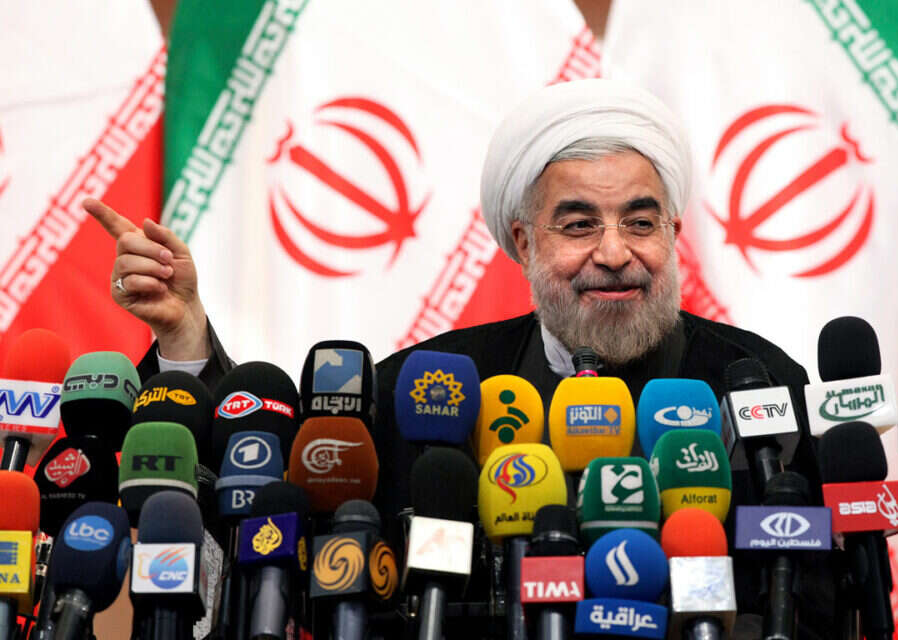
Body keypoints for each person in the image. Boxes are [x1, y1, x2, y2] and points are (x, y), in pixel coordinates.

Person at [86, 79, 834, 638]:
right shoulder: (426, 389)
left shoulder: (760, 384)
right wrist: (185, 342)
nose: (614, 254)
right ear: (523, 243)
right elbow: (276, 536)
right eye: (579, 225)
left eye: (640, 223)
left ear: (673, 233)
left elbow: (823, 604)